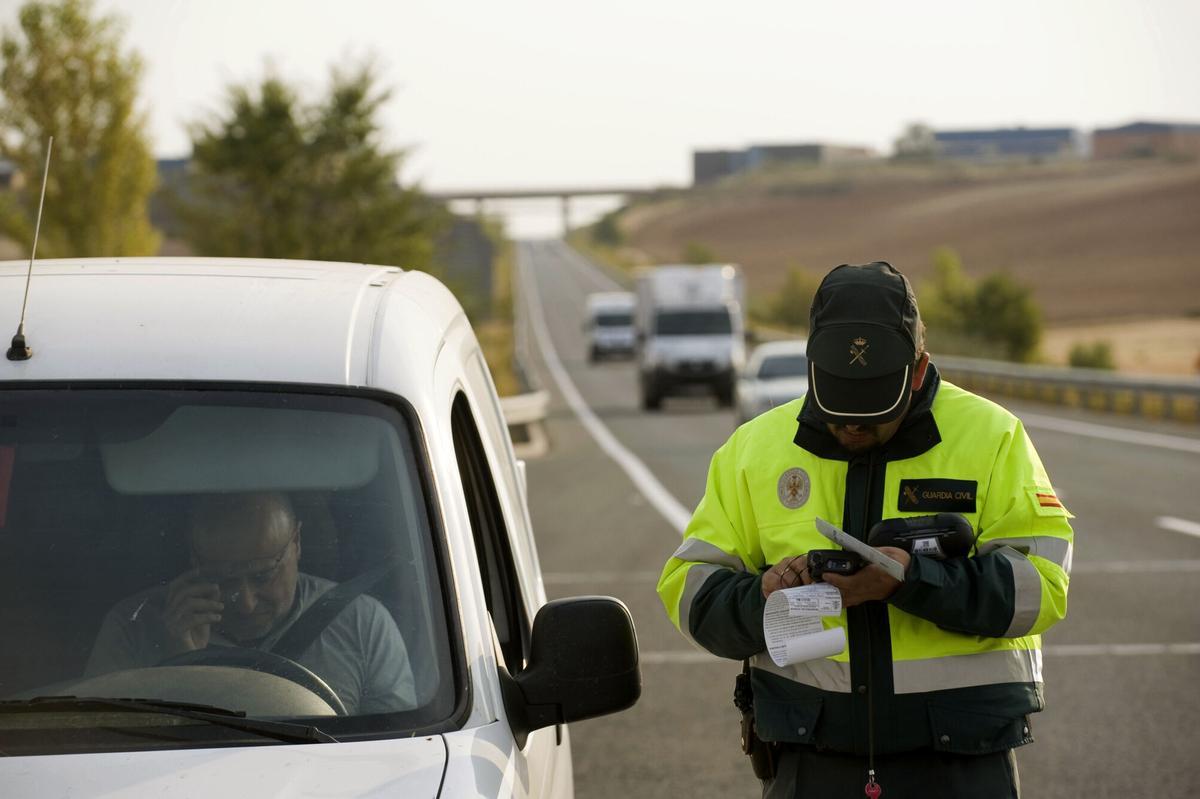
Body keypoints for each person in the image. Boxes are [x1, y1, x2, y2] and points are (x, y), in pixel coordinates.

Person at [658, 262, 1073, 798]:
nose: (853, 424)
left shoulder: (994, 437)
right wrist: (764, 595)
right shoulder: (752, 450)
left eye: (874, 406)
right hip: (810, 761)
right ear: (811, 370)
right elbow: (689, 592)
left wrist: (914, 580)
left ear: (918, 371)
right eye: (838, 403)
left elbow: (1041, 589)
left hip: (963, 764)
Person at [86, 491, 416, 715]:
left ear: (297, 543)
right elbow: (101, 749)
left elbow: (400, 754)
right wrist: (180, 666)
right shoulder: (133, 628)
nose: (245, 603)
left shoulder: (362, 624)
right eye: (224, 579)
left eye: (262, 576)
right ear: (194, 558)